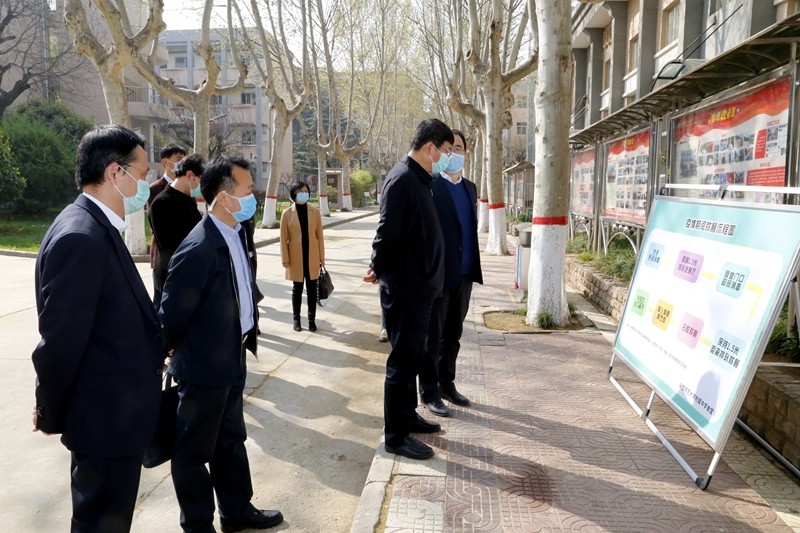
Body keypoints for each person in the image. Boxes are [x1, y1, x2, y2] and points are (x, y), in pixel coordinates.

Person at [31, 125, 164, 533]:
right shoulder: (81, 237)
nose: (145, 185)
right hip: (105, 421)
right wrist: (49, 410)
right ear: (114, 172)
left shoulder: (95, 226)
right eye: (142, 174)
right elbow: (59, 342)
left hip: (117, 416)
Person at [159, 155, 282, 533]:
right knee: (193, 452)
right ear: (225, 198)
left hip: (232, 354)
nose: (253, 196)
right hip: (203, 366)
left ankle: (236, 511)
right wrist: (169, 350)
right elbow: (171, 312)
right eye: (247, 190)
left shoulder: (237, 232)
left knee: (230, 440)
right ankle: (198, 525)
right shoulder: (197, 247)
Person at [363, 118, 454, 460]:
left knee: (413, 358)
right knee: (402, 363)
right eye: (445, 151)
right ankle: (395, 435)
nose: (447, 157)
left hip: (421, 287)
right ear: (430, 147)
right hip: (406, 289)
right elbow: (387, 232)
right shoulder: (402, 179)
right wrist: (378, 266)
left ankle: (408, 416)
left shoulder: (420, 178)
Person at [419, 129, 483, 418]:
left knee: (454, 335)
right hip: (440, 274)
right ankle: (429, 391)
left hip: (465, 273)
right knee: (433, 337)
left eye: (459, 148)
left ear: (465, 153)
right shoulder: (431, 184)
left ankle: (447, 383)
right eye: (450, 148)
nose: (454, 153)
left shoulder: (470, 188)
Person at [149, 153, 204, 307]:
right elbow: (170, 247)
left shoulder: (188, 198)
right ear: (190, 175)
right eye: (202, 179)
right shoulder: (161, 202)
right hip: (172, 278)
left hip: (189, 278)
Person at [280, 180, 325, 332]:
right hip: (296, 258)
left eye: (306, 191)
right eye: (300, 192)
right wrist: (285, 258)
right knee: (297, 289)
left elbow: (320, 236)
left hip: (312, 256)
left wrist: (322, 257)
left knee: (312, 290)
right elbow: (283, 238)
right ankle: (296, 319)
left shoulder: (315, 212)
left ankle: (312, 320)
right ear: (294, 194)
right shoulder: (287, 214)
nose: (304, 194)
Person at [148, 143, 188, 303]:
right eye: (178, 159)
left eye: (184, 159)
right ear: (165, 162)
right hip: (163, 252)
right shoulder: (155, 189)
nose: (182, 162)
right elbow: (157, 224)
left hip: (184, 251)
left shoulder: (188, 187)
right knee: (161, 298)